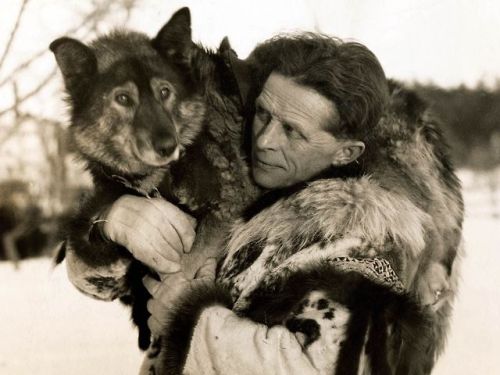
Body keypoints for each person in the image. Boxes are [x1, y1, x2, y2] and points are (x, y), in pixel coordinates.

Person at [66, 33, 462, 374]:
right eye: (263, 114)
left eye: (293, 131)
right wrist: (109, 220)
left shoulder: (369, 238)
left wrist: (193, 322)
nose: (266, 140)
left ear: (345, 153)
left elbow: (327, 366)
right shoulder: (237, 182)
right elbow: (100, 282)